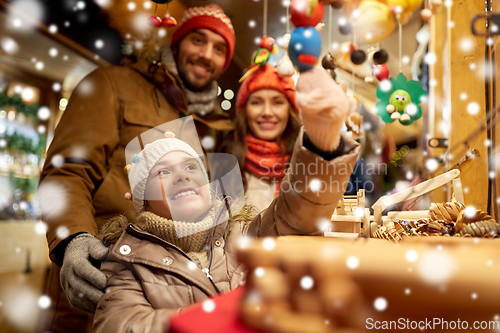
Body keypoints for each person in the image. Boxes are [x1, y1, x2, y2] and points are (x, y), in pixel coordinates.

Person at [92, 67, 360, 333]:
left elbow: (296, 213)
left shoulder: (243, 236)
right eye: (163, 172)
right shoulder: (128, 263)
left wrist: (320, 142)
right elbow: (120, 324)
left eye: (191, 167)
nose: (182, 177)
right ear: (141, 196)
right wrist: (223, 314)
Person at [37, 4, 235, 333]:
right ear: (177, 43)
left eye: (219, 49)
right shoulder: (113, 83)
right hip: (100, 272)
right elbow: (66, 172)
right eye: (198, 40)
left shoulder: (209, 123)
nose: (207, 55)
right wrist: (73, 239)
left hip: (164, 291)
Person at [227, 64, 301, 211]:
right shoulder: (225, 163)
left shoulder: (305, 163)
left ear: (290, 109)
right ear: (245, 110)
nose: (267, 112)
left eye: (277, 102)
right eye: (256, 102)